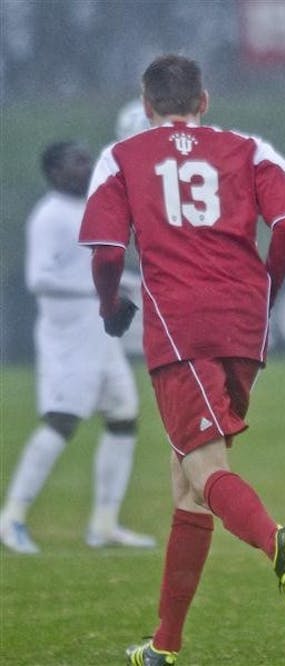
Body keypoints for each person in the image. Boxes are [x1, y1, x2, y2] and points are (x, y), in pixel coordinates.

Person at [79, 54, 285, 665]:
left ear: (145, 105)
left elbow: (108, 253)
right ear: (204, 101)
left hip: (181, 325)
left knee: (203, 465)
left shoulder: (123, 155)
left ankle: (276, 541)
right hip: (245, 321)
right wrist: (268, 285)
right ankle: (165, 645)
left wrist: (110, 307)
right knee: (187, 481)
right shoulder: (248, 147)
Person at [0, 141, 155, 554]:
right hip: (67, 333)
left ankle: (104, 524)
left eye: (88, 158)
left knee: (123, 416)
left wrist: (119, 284)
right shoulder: (48, 216)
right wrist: (97, 288)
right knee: (62, 419)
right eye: (77, 161)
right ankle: (11, 517)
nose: (86, 166)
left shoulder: (93, 207)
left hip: (99, 330)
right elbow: (38, 278)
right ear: (54, 171)